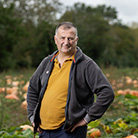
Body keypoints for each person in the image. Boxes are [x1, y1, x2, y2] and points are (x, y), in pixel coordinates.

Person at [27, 21, 115, 138]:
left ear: (76, 40)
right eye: (62, 38)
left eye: (70, 38)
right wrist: (33, 117)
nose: (66, 42)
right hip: (43, 131)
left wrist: (86, 119)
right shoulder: (47, 62)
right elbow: (33, 88)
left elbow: (107, 92)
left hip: (69, 132)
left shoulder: (86, 64)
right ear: (55, 39)